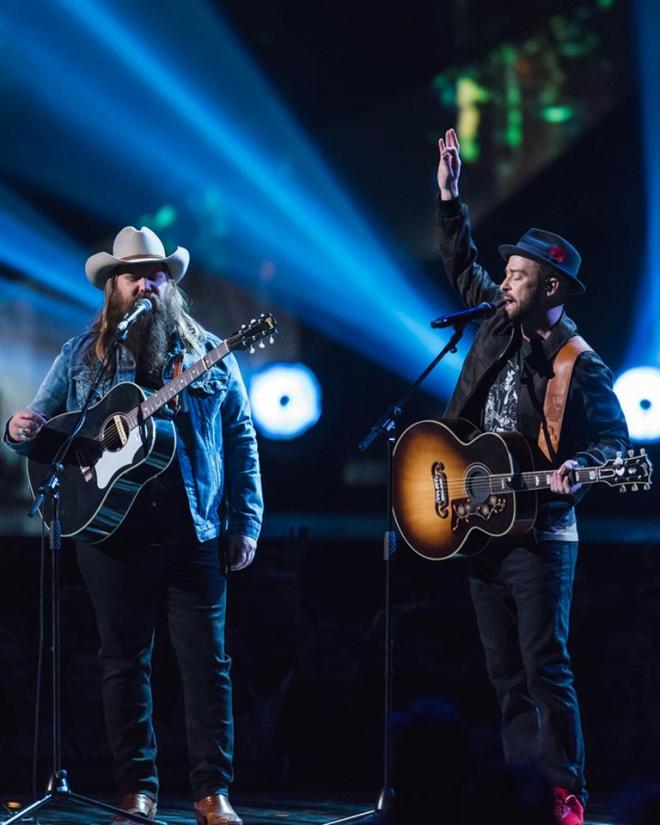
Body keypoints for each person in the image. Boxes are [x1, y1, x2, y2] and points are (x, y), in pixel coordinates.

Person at [4, 226, 263, 825]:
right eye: (133, 274)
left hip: (193, 527)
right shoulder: (82, 356)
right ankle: (136, 791)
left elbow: (241, 439)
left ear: (170, 283)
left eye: (156, 273)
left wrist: (245, 520)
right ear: (113, 287)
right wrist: (19, 429)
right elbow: (43, 425)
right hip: (107, 530)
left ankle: (211, 793)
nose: (146, 282)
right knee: (123, 660)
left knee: (207, 663)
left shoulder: (210, 352)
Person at [435, 128, 629, 825]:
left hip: (544, 530)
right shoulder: (491, 322)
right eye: (506, 274)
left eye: (516, 275)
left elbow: (616, 442)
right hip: (481, 519)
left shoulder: (582, 363)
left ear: (550, 284)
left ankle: (565, 791)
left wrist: (585, 469)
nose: (503, 282)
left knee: (545, 665)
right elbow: (460, 265)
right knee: (504, 673)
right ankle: (525, 793)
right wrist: (450, 197)